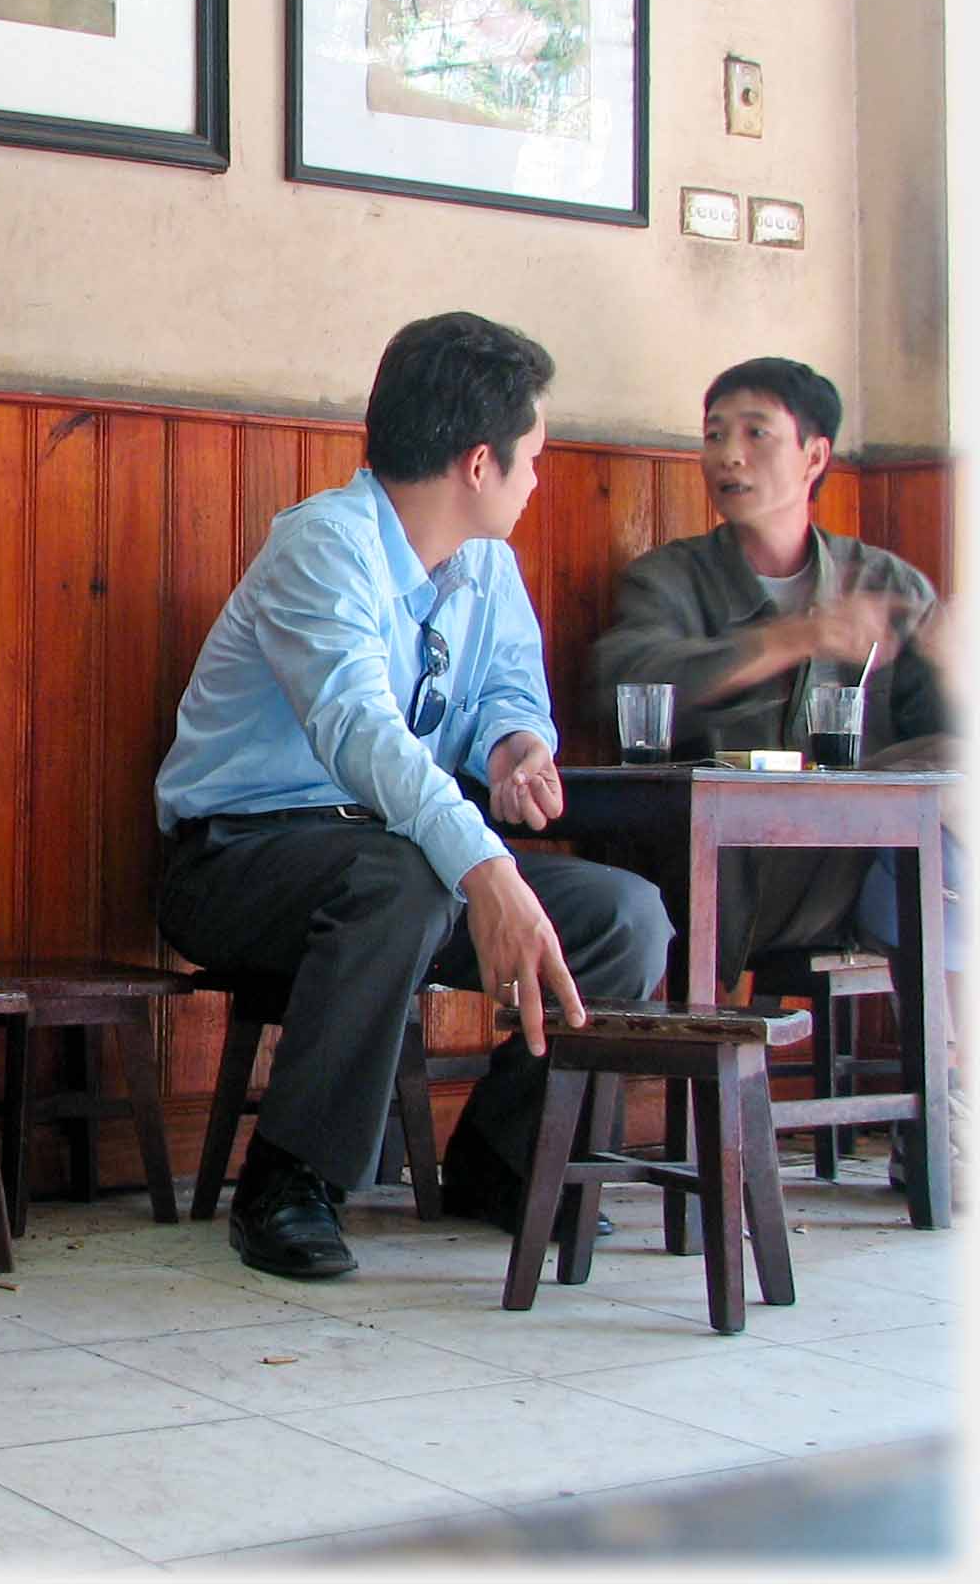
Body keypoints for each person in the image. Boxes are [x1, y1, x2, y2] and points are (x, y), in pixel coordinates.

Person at [156, 311, 672, 1278]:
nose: (536, 480)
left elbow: (505, 695)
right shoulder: (324, 545)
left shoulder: (487, 565)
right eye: (532, 458)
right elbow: (360, 731)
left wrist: (520, 745)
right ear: (480, 463)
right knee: (404, 879)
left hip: (405, 856)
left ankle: (505, 1158)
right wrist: (483, 863)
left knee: (623, 917)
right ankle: (287, 1178)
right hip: (237, 856)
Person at [590, 357, 961, 1194]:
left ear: (815, 456)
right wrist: (793, 638)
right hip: (714, 875)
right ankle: (950, 1112)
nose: (729, 455)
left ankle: (950, 1109)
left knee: (951, 810)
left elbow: (951, 732)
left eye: (756, 433)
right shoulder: (670, 577)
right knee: (941, 843)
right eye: (715, 434)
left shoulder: (886, 584)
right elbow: (625, 686)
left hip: (859, 871)